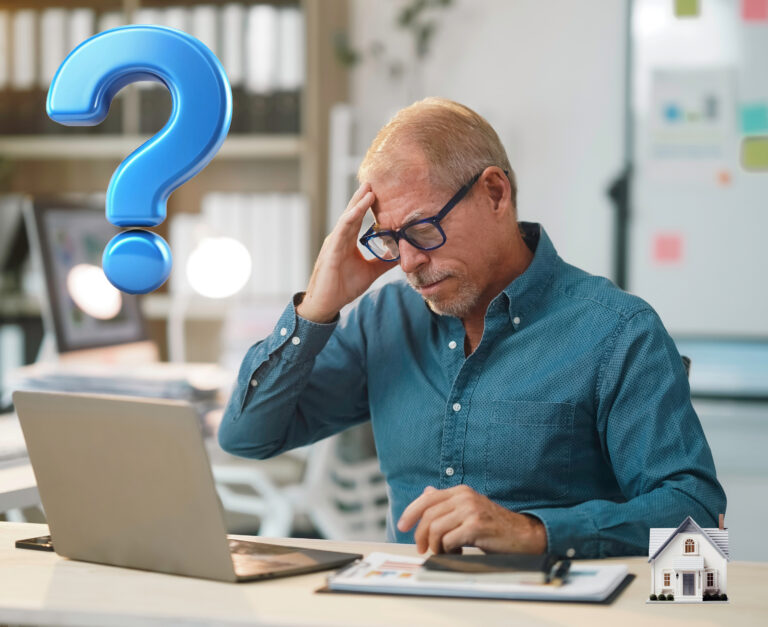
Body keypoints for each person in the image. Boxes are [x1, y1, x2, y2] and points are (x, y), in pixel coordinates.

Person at [219, 98, 726, 558]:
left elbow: (698, 522)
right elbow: (247, 438)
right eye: (391, 240)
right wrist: (316, 309)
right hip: (413, 611)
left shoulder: (617, 332)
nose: (410, 262)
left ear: (495, 192)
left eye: (421, 230)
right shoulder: (384, 322)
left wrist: (533, 532)